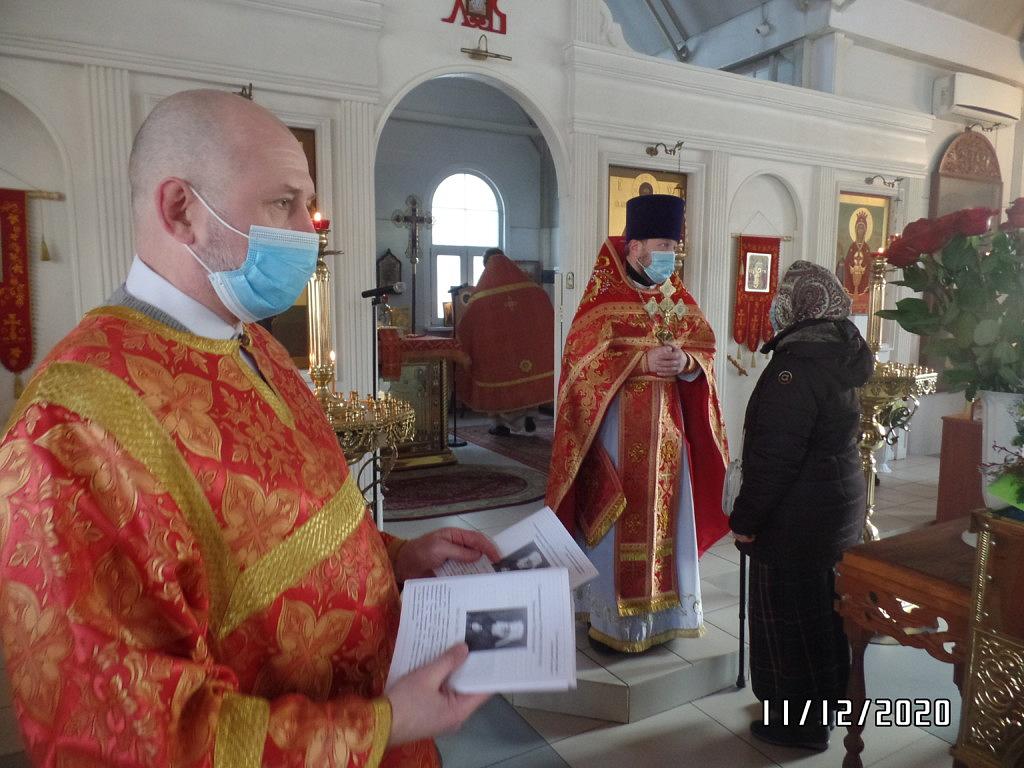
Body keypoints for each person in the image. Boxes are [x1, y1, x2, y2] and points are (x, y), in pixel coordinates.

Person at [0, 89, 500, 767]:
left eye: (308, 204)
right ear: (181, 210)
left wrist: (394, 558)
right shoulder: (69, 431)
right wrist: (376, 727)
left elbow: (294, 530)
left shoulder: (252, 342)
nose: (309, 230)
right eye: (282, 203)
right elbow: (122, 733)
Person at [546, 194, 730, 654]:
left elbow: (705, 349)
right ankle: (613, 622)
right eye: (664, 245)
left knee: (666, 525)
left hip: (667, 439)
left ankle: (663, 618)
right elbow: (579, 368)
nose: (672, 255)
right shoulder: (603, 299)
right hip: (613, 436)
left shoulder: (675, 298)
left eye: (675, 246)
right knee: (615, 524)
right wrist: (638, 363)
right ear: (634, 248)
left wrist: (687, 363)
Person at [729, 260, 872, 752]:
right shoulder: (837, 351)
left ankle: (797, 726)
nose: (775, 306)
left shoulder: (795, 369)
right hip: (831, 508)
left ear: (799, 306)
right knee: (822, 616)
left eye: (783, 297)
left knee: (791, 621)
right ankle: (824, 707)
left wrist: (746, 520)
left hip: (797, 519)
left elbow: (774, 459)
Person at [455, 247, 554, 436]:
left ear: (486, 264)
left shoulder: (482, 295)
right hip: (526, 349)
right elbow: (544, 314)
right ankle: (529, 417)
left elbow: (466, 324)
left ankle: (500, 425)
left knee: (500, 383)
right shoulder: (531, 289)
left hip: (497, 352)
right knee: (526, 382)